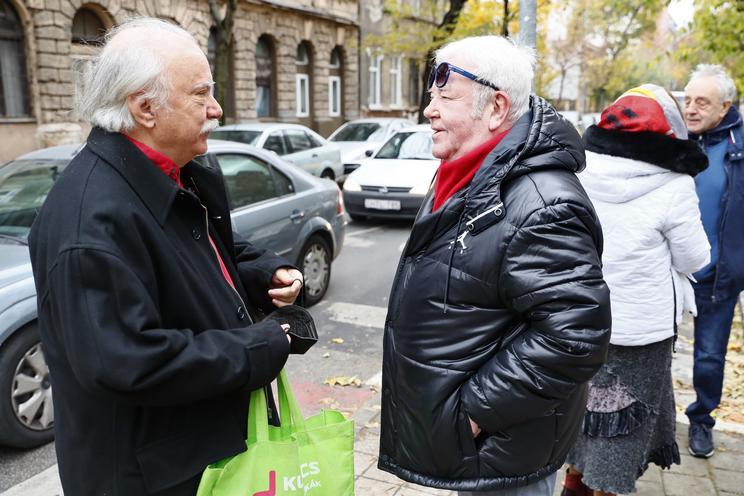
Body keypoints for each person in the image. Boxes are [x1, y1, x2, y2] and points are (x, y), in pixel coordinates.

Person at [28, 18, 304, 495]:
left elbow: (202, 246)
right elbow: (131, 362)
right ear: (145, 108)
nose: (216, 109)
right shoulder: (91, 221)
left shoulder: (171, 173)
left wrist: (263, 272)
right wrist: (261, 347)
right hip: (149, 479)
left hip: (195, 460)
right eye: (200, 95)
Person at [377, 35, 612, 496]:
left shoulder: (542, 203)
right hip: (481, 451)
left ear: (497, 108)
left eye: (445, 95)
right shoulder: (469, 174)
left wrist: (475, 412)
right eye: (431, 94)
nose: (429, 109)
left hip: (505, 452)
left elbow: (575, 335)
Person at [560, 85, 710, 496]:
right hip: (641, 333)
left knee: (583, 416)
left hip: (582, 321)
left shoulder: (581, 171)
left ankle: (574, 483)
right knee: (625, 430)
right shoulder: (675, 185)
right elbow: (695, 258)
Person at [683, 64, 744, 458]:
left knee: (708, 356)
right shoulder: (672, 140)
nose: (690, 109)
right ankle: (647, 423)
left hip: (718, 276)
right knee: (649, 354)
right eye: (686, 100)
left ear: (724, 107)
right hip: (669, 274)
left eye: (701, 102)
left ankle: (701, 421)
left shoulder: (740, 147)